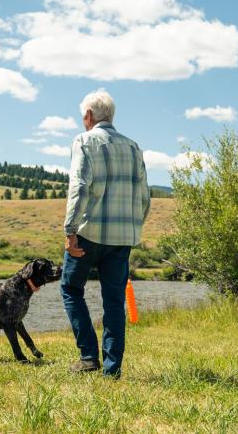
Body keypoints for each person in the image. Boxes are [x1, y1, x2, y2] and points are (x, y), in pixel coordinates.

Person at [61, 89, 150, 378]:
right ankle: (112, 370)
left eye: (82, 116)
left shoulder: (84, 141)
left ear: (89, 116)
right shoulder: (133, 147)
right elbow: (144, 196)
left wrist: (70, 231)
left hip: (89, 234)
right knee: (114, 302)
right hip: (123, 237)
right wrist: (134, 227)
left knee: (71, 288)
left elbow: (80, 187)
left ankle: (88, 356)